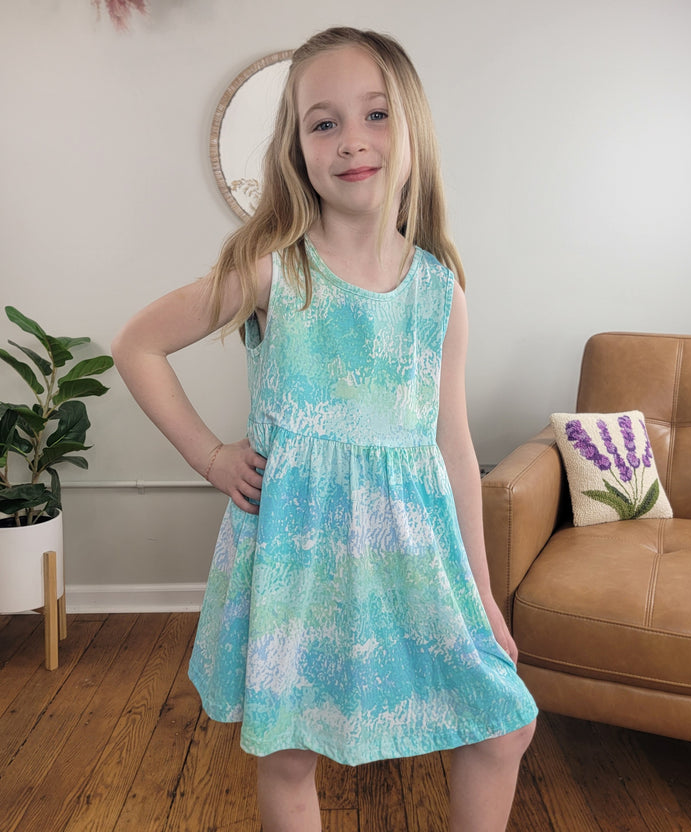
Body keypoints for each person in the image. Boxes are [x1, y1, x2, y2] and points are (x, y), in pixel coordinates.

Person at [113, 26, 537, 832]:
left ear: (411, 129)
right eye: (324, 122)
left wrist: (482, 594)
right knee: (290, 752)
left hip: (415, 558)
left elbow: (454, 447)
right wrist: (209, 457)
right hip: (297, 562)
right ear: (296, 148)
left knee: (507, 721)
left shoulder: (441, 295)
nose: (352, 141)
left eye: (375, 115)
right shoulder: (275, 270)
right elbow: (138, 344)